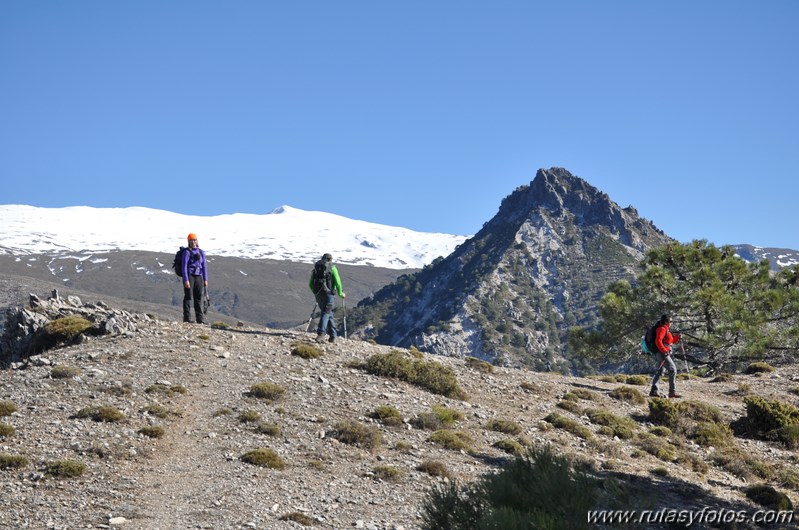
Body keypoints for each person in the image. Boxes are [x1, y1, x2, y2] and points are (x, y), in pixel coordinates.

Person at [309, 253, 345, 343]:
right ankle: (321, 334)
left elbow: (310, 283)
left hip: (318, 294)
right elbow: (338, 282)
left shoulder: (316, 269)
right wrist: (341, 293)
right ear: (330, 260)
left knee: (328, 313)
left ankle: (333, 335)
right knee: (326, 313)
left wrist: (315, 292)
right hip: (329, 294)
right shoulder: (332, 268)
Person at [649, 314, 682, 398]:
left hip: (662, 352)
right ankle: (672, 392)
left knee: (660, 371)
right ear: (666, 322)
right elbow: (658, 341)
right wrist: (664, 350)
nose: (671, 323)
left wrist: (677, 338)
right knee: (673, 369)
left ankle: (654, 391)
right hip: (662, 353)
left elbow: (670, 341)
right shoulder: (662, 329)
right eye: (670, 321)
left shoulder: (666, 329)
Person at [182, 233, 208, 324]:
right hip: (190, 275)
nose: (193, 242)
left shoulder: (201, 252)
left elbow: (204, 266)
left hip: (199, 276)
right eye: (191, 240)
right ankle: (187, 319)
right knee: (188, 296)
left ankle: (200, 319)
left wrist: (205, 279)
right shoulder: (187, 252)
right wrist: (186, 280)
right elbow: (184, 266)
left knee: (198, 298)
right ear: (188, 242)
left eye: (195, 240)